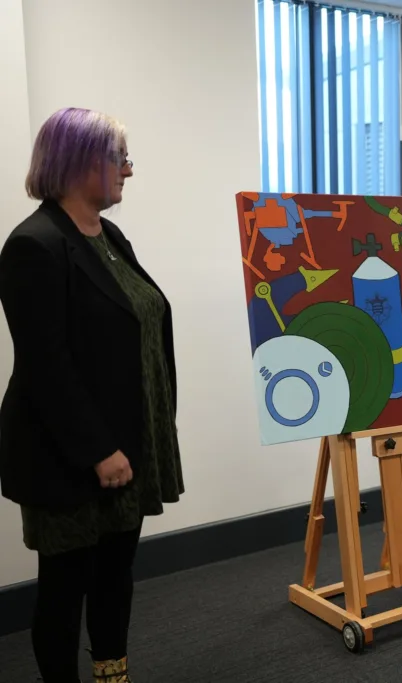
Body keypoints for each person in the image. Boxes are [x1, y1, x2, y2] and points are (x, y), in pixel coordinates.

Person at [0, 107, 184, 683]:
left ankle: (111, 673)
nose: (128, 170)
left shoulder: (109, 237)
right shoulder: (33, 245)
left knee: (114, 574)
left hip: (127, 446)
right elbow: (45, 365)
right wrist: (97, 450)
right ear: (82, 163)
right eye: (119, 158)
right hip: (71, 457)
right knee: (64, 587)